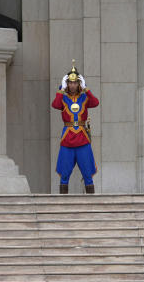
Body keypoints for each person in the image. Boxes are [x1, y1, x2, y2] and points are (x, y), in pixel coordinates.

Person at [52, 62, 99, 194]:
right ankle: (63, 206)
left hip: (82, 138)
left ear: (79, 83)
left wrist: (86, 89)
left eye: (75, 82)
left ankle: (92, 206)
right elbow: (55, 105)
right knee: (64, 174)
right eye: (70, 82)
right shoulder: (63, 98)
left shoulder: (84, 97)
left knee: (87, 173)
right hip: (68, 138)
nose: (73, 85)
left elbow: (95, 103)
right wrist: (61, 89)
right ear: (68, 84)